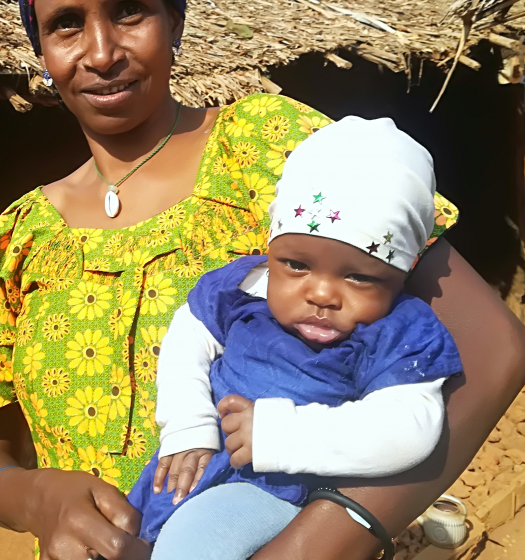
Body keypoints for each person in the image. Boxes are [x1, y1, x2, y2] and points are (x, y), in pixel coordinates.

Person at [0, 0, 525, 560]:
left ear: (175, 15)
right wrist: (35, 497)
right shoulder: (21, 236)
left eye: (128, 10)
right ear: (41, 47)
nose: (101, 52)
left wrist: (318, 544)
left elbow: (494, 353)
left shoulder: (271, 149)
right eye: (66, 25)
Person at [127, 116, 463, 559]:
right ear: (272, 249)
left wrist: (278, 435)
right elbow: (188, 335)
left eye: (360, 276)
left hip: (274, 491)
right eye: (297, 265)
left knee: (192, 547)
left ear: (401, 274)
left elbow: (411, 429)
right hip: (182, 472)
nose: (322, 293)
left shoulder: (397, 331)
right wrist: (189, 426)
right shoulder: (245, 286)